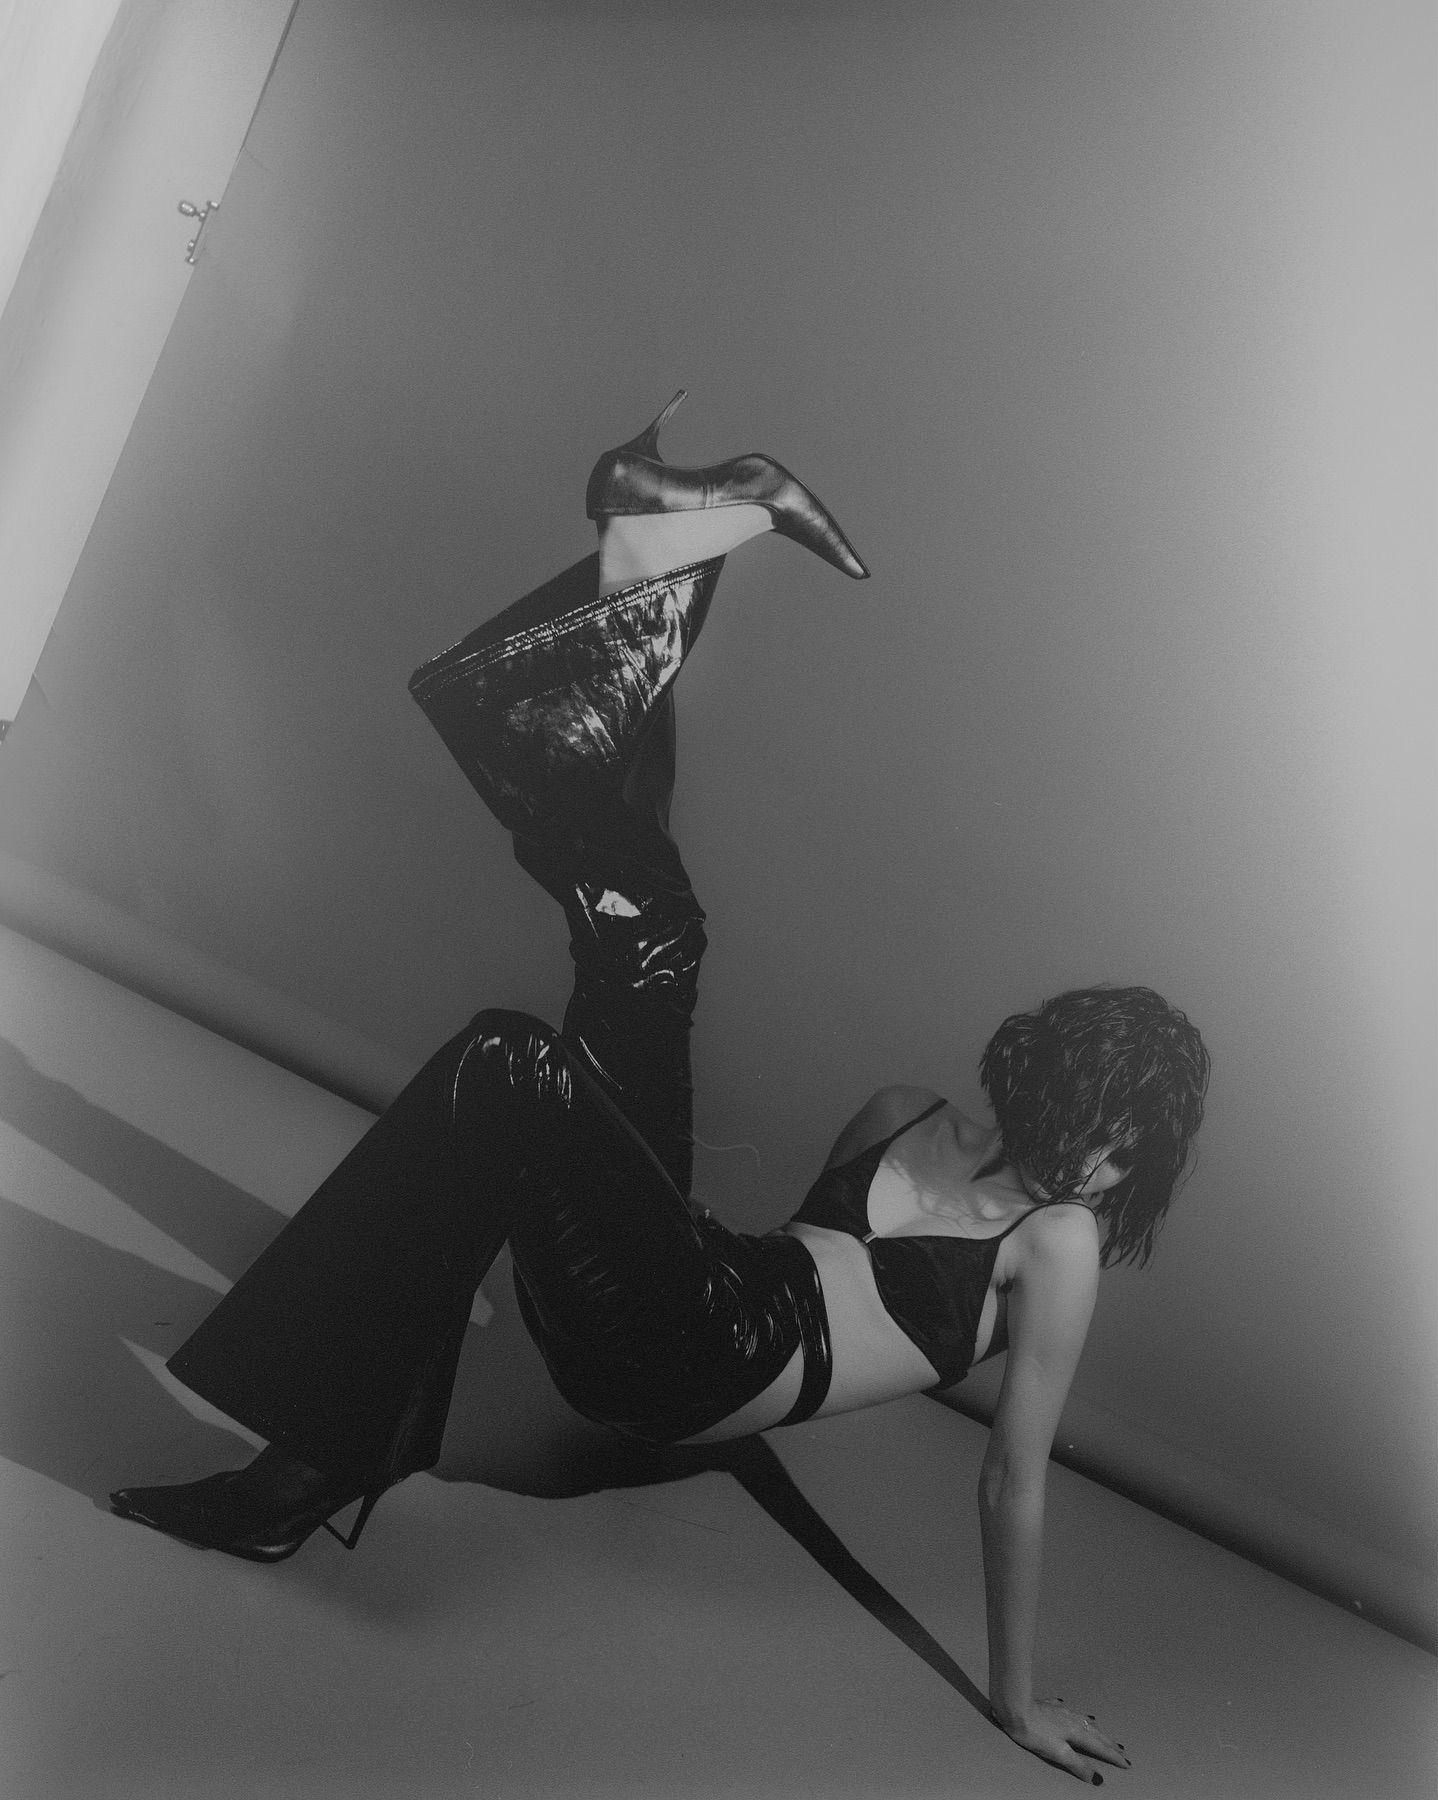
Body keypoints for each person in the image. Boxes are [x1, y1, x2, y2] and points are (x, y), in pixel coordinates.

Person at [111, 393, 1208, 1785]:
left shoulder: (1055, 1245)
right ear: (1057, 1090)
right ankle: (647, 563)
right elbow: (782, 1251)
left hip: (684, 1363)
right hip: (685, 1284)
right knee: (649, 943)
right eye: (1097, 1133)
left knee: (513, 1056)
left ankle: (310, 1466)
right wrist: (589, 1220)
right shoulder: (904, 1114)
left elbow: (1012, 1475)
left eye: (1126, 1159)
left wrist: (1016, 1700)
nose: (1098, 1172)